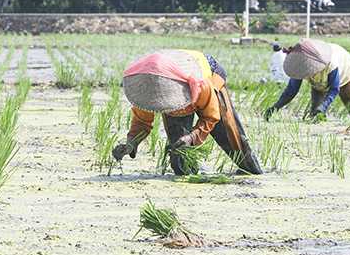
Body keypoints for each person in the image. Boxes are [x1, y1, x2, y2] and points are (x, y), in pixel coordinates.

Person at [112, 49, 263, 175]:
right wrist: (131, 143)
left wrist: (192, 137)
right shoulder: (146, 90)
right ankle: (190, 176)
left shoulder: (202, 84)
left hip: (207, 75)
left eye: (165, 100)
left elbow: (211, 117)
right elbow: (142, 121)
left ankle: (253, 170)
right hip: (170, 74)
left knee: (232, 138)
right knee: (179, 154)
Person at [264, 38, 350, 121]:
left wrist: (324, 106)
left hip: (344, 69)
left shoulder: (332, 64)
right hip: (319, 83)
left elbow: (334, 89)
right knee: (315, 115)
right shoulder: (300, 67)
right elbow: (291, 90)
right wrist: (275, 107)